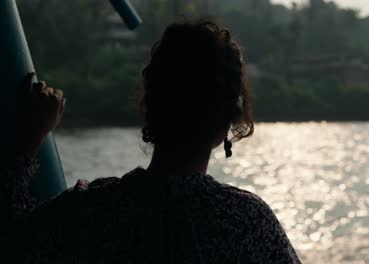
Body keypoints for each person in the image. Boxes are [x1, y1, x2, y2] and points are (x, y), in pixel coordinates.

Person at [3, 20, 301, 263]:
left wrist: (28, 141)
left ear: (150, 105)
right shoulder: (247, 223)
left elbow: (12, 242)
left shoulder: (90, 214)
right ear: (228, 121)